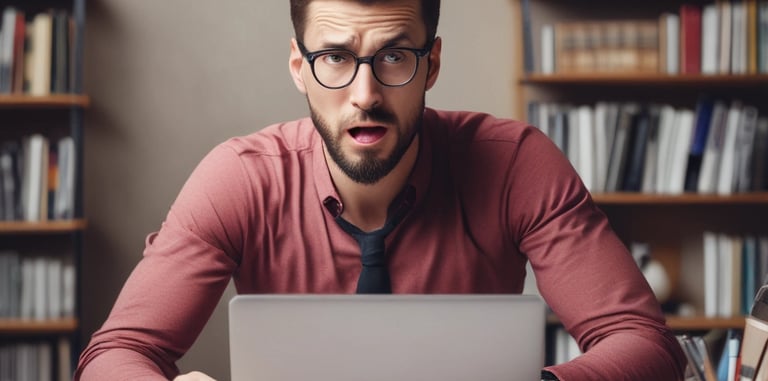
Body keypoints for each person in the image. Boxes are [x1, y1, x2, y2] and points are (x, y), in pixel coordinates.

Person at [75, 0, 687, 380]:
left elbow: (646, 346)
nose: (365, 95)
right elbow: (116, 354)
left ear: (432, 64)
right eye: (335, 58)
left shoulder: (516, 164)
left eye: (394, 57)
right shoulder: (239, 178)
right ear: (299, 67)